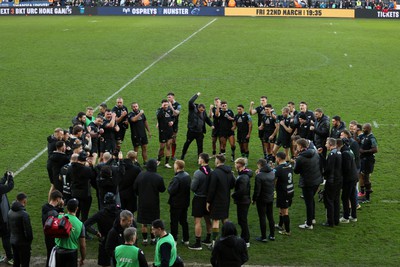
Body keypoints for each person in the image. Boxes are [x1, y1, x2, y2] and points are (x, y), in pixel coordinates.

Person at [133, 159, 166, 245]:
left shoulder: (141, 175)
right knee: (153, 222)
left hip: (142, 201)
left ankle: (144, 240)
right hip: (153, 202)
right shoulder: (158, 177)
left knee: (144, 223)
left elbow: (135, 187)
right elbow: (162, 189)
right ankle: (153, 239)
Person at [206, 154, 235, 247]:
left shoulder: (215, 173)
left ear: (218, 161)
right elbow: (232, 184)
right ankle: (229, 240)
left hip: (216, 200)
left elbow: (211, 189)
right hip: (226, 199)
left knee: (215, 221)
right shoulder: (230, 172)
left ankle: (214, 242)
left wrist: (208, 201)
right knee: (225, 220)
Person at [85, 192, 121, 267]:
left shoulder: (100, 214)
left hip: (104, 241)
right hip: (118, 241)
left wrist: (96, 232)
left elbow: (85, 225)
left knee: (105, 264)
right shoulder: (120, 212)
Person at [294, 138, 323, 230]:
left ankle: (309, 224)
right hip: (317, 180)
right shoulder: (314, 152)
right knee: (311, 200)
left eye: (297, 145)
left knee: (308, 202)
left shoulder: (300, 158)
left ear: (301, 146)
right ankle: (312, 218)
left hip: (307, 182)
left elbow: (296, 171)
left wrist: (295, 161)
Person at [188, 153, 212, 251]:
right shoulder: (212, 171)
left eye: (199, 158)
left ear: (202, 160)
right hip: (209, 199)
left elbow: (193, 187)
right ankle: (208, 239)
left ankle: (198, 243)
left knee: (197, 221)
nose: (198, 160)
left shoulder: (198, 173)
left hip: (199, 199)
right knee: (207, 219)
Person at [180, 92, 213, 160]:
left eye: (203, 110)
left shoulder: (203, 112)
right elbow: (190, 101)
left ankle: (200, 158)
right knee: (187, 143)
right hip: (191, 131)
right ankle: (183, 155)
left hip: (199, 132)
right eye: (201, 110)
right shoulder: (192, 109)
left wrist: (211, 124)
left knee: (200, 146)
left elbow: (206, 118)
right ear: (198, 108)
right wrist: (197, 95)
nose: (202, 111)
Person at [54, 198, 86, 267]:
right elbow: (82, 246)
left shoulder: (59, 217)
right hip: (72, 254)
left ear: (67, 207)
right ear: (77, 209)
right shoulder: (80, 224)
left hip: (59, 252)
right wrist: (82, 258)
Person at [167, 160, 191, 245]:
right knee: (184, 221)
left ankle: (174, 239)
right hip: (185, 203)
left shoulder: (176, 178)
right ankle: (186, 239)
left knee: (174, 222)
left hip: (176, 203)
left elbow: (171, 190)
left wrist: (170, 185)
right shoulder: (187, 175)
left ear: (177, 167)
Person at [252, 159, 275, 242]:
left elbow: (257, 190)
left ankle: (263, 237)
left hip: (261, 199)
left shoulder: (259, 176)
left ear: (259, 165)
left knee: (262, 217)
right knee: (270, 216)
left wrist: (254, 199)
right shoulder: (272, 173)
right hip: (270, 197)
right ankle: (272, 235)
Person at [232, 158, 252, 247]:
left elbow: (242, 190)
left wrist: (234, 194)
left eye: (236, 163)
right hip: (244, 200)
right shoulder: (244, 174)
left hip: (243, 201)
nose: (235, 165)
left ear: (239, 164)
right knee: (242, 220)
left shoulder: (243, 177)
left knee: (242, 221)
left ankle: (246, 240)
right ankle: (244, 237)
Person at [8, 193, 32, 267]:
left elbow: (9, 227)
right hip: (23, 243)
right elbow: (28, 231)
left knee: (16, 262)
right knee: (25, 263)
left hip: (13, 241)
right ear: (24, 201)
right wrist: (29, 241)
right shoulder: (24, 214)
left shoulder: (10, 212)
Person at [322, 138, 343, 227]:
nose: (325, 144)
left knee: (329, 201)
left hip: (332, 181)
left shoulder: (331, 154)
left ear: (330, 144)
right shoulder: (338, 152)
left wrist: (323, 175)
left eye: (326, 143)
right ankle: (336, 220)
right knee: (336, 200)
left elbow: (329, 168)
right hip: (338, 180)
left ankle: (330, 222)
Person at [337, 139, 358, 223]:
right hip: (353, 177)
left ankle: (346, 217)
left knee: (345, 197)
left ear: (338, 145)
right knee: (352, 197)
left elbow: (346, 168)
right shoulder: (348, 150)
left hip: (348, 179)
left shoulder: (344, 153)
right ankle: (353, 216)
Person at [41, 190, 64, 267]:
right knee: (53, 258)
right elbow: (57, 227)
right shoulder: (53, 213)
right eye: (60, 199)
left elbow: (53, 210)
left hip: (47, 236)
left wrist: (60, 208)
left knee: (49, 255)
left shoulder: (45, 207)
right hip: (52, 238)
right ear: (57, 199)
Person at [274, 152, 294, 236]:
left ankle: (287, 231)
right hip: (290, 190)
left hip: (283, 192)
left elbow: (274, 180)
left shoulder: (278, 168)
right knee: (282, 208)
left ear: (278, 158)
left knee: (285, 211)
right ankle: (280, 225)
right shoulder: (289, 166)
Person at [359, 123, 378, 203]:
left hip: (368, 160)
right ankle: (364, 193)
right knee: (362, 176)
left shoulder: (372, 138)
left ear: (369, 129)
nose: (363, 130)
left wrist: (364, 151)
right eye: (363, 128)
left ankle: (367, 197)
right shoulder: (363, 135)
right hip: (363, 159)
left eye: (365, 129)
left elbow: (375, 150)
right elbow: (356, 139)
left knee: (366, 178)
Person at [0, 171, 14, 265]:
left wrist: (5, 176)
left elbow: (1, 183)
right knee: (5, 236)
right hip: (1, 217)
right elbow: (9, 186)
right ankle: (9, 257)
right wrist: (10, 177)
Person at [156, 99, 175, 168]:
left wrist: (172, 122)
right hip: (162, 131)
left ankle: (166, 162)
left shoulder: (169, 110)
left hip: (169, 131)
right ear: (162, 104)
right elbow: (158, 116)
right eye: (164, 104)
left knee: (168, 146)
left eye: (166, 104)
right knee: (162, 147)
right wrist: (162, 108)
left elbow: (173, 117)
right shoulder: (159, 110)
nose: (166, 106)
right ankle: (158, 159)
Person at [167, 92, 181, 160]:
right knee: (166, 140)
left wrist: (171, 107)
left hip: (174, 125)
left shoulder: (178, 105)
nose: (168, 98)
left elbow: (176, 113)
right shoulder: (166, 104)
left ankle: (173, 155)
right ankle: (166, 154)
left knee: (174, 140)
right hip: (167, 125)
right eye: (168, 97)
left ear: (173, 97)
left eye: (169, 97)